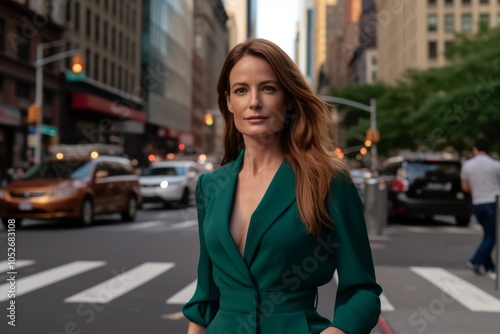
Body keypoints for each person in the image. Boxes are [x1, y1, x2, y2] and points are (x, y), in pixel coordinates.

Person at [183, 38, 382, 334]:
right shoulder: (210, 186)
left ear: (288, 99)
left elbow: (362, 291)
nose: (254, 102)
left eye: (268, 88)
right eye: (241, 90)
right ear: (228, 102)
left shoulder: (328, 181)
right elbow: (206, 299)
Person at [461, 138, 500, 275]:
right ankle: (475, 261)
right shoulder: (496, 165)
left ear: (475, 149)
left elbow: (465, 187)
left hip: (477, 203)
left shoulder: (467, 165)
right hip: (493, 202)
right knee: (492, 236)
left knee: (487, 235)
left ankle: (489, 266)